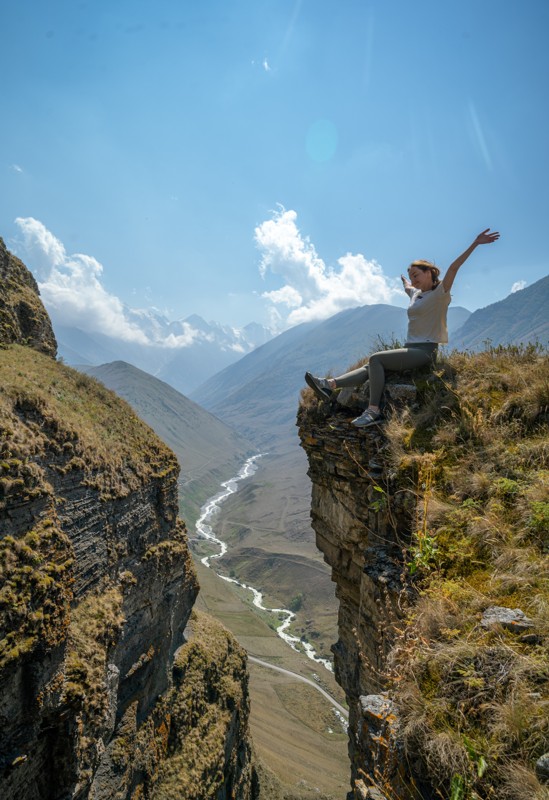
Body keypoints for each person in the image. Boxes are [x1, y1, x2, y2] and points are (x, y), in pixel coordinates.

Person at [305, 228, 500, 427]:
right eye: (412, 277)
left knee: (375, 359)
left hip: (425, 351)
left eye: (416, 275)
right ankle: (329, 385)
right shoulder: (416, 294)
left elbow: (453, 268)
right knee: (370, 366)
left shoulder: (440, 293)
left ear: (429, 272)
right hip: (409, 348)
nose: (414, 280)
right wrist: (406, 282)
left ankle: (373, 411)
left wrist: (475, 243)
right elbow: (408, 289)